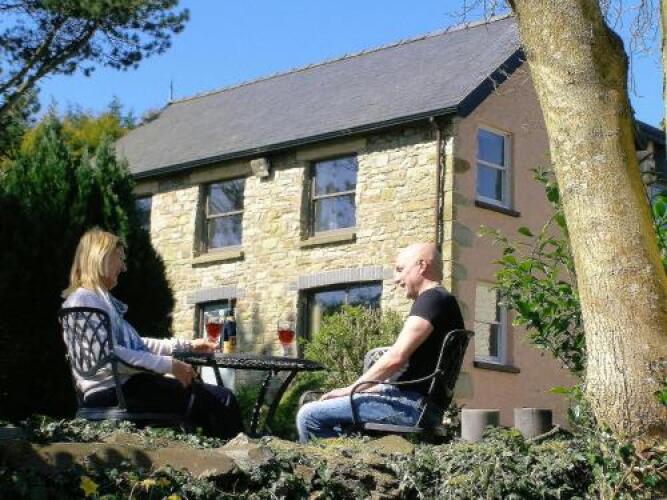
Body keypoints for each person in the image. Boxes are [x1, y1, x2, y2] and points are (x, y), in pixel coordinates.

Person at [62, 227, 243, 439]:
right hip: (119, 393)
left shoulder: (95, 300)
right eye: (119, 258)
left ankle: (218, 455)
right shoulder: (85, 300)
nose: (123, 267)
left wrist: (187, 345)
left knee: (210, 403)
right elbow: (111, 354)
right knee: (223, 400)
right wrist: (169, 365)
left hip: (118, 390)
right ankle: (242, 458)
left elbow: (136, 346)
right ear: (101, 256)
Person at [296, 242, 464, 443]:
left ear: (421, 266)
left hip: (410, 406)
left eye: (400, 269)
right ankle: (351, 457)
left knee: (309, 415)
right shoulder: (443, 301)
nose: (396, 279)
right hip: (423, 406)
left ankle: (336, 463)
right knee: (332, 415)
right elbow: (416, 376)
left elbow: (396, 358)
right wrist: (367, 389)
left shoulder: (431, 300)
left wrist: (351, 390)